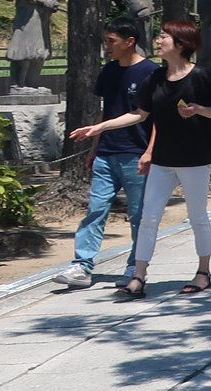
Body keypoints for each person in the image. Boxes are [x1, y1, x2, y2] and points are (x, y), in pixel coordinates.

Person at [67, 19, 211, 299]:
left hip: (194, 158)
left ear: (181, 43)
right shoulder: (155, 78)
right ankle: (139, 276)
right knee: (148, 218)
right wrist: (100, 127)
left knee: (197, 216)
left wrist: (200, 109)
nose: (158, 40)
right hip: (163, 160)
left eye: (164, 36)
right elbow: (139, 114)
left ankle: (203, 272)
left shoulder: (202, 76)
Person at [55, 19, 159, 289]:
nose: (107, 46)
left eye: (111, 41)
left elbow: (155, 117)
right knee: (96, 209)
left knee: (138, 214)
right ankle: (82, 266)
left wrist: (150, 151)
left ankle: (135, 268)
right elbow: (106, 110)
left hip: (136, 153)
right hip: (106, 152)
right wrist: (94, 147)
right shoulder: (109, 71)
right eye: (106, 41)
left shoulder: (151, 72)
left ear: (130, 41)